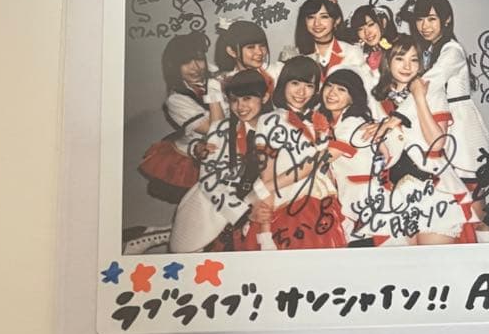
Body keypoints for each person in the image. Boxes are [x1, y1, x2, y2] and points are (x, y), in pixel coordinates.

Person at [397, 0, 489, 242]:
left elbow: (427, 84)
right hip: (439, 123)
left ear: (447, 19)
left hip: (462, 128)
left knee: (476, 206)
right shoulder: (427, 49)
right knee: (453, 202)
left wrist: (396, 116)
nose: (425, 26)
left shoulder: (451, 50)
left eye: (432, 19)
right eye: (420, 19)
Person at [371, 36, 475, 246]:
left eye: (414, 60)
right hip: (394, 191)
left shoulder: (433, 92)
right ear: (388, 61)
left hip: (433, 187)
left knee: (434, 261)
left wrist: (419, 98)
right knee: (402, 264)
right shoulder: (377, 100)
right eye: (400, 58)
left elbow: (437, 143)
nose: (407, 66)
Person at [168, 70, 274, 252]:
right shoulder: (220, 129)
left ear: (264, 97)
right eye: (234, 100)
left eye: (247, 98)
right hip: (210, 211)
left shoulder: (276, 129)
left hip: (256, 204)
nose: (240, 106)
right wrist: (243, 214)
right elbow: (209, 181)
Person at [256, 56, 346, 250]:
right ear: (284, 84)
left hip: (324, 206)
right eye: (295, 83)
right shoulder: (270, 120)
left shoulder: (319, 120)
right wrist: (265, 233)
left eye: (309, 86)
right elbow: (266, 177)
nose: (301, 92)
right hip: (289, 207)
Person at [137, 30, 213, 204]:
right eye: (185, 63)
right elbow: (212, 128)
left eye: (199, 59)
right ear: (174, 67)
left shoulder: (214, 77)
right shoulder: (175, 100)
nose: (195, 67)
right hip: (197, 154)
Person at [319, 68, 386, 246]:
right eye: (329, 86)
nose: (332, 93)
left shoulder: (352, 123)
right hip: (351, 203)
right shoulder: (334, 123)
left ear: (353, 97)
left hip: (364, 203)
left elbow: (321, 160)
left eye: (341, 89)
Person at [214, 19, 281, 101]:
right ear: (232, 51)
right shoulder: (222, 83)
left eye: (262, 45)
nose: (259, 52)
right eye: (251, 47)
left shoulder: (274, 73)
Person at [349, 4, 396, 74]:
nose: (367, 33)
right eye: (360, 29)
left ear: (383, 22)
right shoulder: (359, 54)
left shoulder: (399, 47)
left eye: (370, 25)